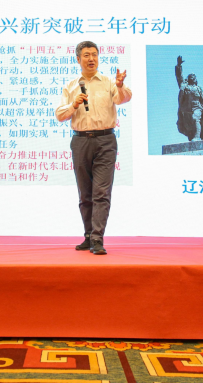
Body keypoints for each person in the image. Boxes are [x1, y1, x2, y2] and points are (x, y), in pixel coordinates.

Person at [55, 41, 132, 255]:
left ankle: (98, 238)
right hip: (80, 141)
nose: (91, 59)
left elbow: (124, 98)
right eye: (87, 55)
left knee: (101, 192)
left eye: (94, 55)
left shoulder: (109, 82)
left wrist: (120, 85)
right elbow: (60, 115)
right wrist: (74, 105)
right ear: (78, 59)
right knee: (85, 193)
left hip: (105, 141)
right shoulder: (71, 86)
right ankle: (88, 236)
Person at [175, 55, 203, 142]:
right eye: (190, 76)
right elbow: (179, 77)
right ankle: (195, 135)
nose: (192, 76)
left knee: (195, 117)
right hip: (186, 109)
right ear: (188, 79)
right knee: (184, 126)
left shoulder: (201, 90)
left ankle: (197, 137)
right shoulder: (185, 87)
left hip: (198, 108)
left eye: (194, 76)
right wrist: (179, 66)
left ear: (195, 79)